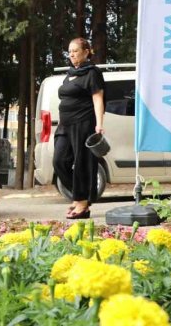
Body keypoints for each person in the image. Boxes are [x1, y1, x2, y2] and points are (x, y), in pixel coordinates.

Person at [53, 37, 104, 219]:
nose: (72, 54)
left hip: (83, 122)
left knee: (83, 163)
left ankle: (82, 203)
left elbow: (97, 98)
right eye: (70, 51)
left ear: (86, 52)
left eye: (75, 50)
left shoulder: (92, 72)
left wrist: (99, 123)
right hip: (65, 124)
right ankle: (79, 195)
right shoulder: (70, 73)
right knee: (59, 161)